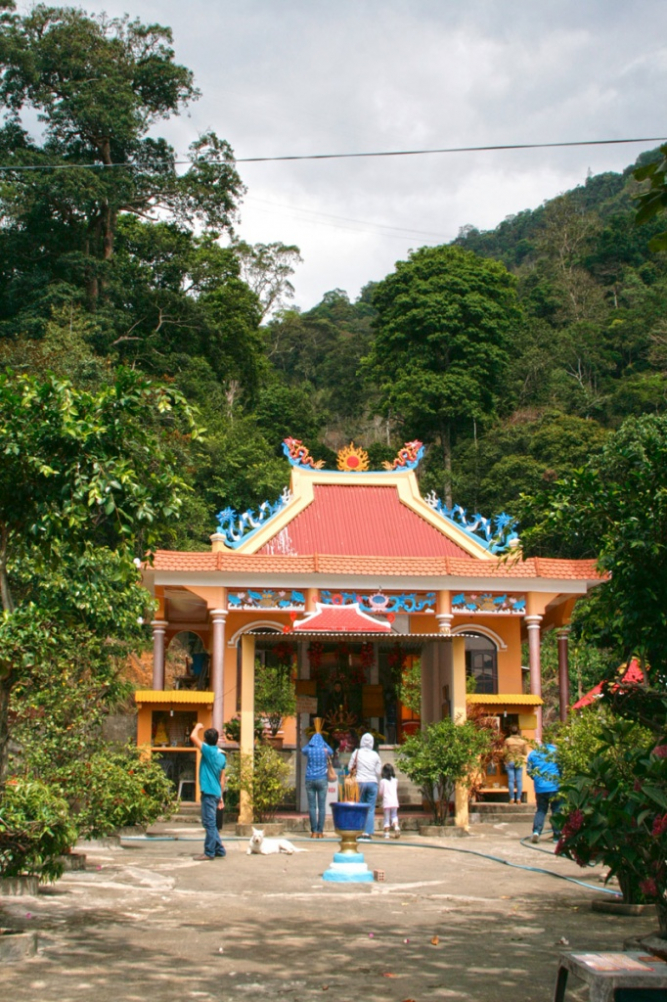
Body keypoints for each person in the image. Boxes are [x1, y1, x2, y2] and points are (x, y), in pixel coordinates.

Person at [190, 722, 226, 860]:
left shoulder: (208, 751)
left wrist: (198, 727)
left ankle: (209, 852)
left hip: (209, 793)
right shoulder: (222, 756)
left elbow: (193, 737)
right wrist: (221, 797)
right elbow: (222, 779)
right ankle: (219, 849)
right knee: (210, 822)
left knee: (209, 823)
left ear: (205, 740)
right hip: (216, 792)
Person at [526, 740, 561, 844]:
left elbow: (529, 771)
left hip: (540, 788)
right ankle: (557, 836)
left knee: (541, 810)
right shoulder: (557, 753)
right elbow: (562, 769)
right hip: (555, 786)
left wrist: (536, 779)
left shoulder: (533, 753)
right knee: (556, 810)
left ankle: (536, 831)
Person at [349, 732, 381, 840]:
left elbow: (350, 768)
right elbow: (378, 771)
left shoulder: (356, 753)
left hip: (360, 782)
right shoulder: (375, 755)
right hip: (372, 783)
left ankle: (360, 831)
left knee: (360, 807)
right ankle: (368, 833)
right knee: (370, 809)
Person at [301, 731, 334, 838]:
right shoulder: (324, 749)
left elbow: (303, 750)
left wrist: (310, 743)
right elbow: (331, 751)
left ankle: (314, 831)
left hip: (309, 779)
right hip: (322, 779)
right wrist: (324, 743)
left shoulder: (309, 749)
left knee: (312, 807)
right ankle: (320, 831)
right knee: (322, 807)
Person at [503, 724, 529, 804]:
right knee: (519, 781)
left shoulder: (507, 740)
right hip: (519, 761)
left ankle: (511, 798)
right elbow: (525, 753)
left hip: (510, 760)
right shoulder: (523, 741)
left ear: (510, 732)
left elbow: (504, 752)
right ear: (518, 731)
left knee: (511, 780)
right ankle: (518, 799)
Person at [379, 762, 400, 839]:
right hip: (394, 801)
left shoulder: (383, 781)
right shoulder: (395, 780)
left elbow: (381, 792)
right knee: (394, 815)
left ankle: (387, 833)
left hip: (386, 801)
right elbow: (395, 789)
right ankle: (396, 827)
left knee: (386, 817)